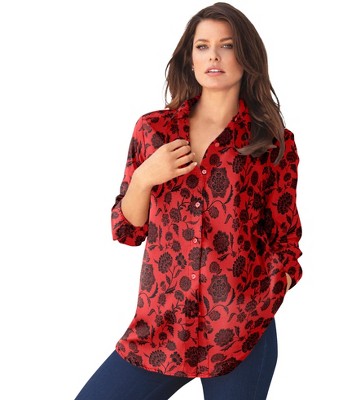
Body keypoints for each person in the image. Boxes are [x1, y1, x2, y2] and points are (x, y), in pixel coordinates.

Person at [74, 2, 303, 399]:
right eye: (202, 46)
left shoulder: (270, 142)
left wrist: (267, 293)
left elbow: (286, 239)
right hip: (161, 326)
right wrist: (144, 178)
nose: (214, 56)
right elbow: (127, 231)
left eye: (227, 45)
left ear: (246, 57)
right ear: (190, 58)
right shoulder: (154, 130)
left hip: (241, 330)